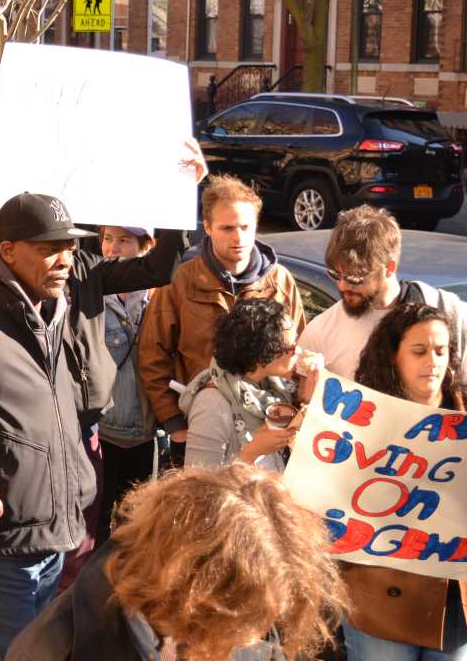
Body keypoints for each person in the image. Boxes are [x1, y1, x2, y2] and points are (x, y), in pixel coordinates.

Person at [0, 145, 205, 661]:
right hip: (1, 551)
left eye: (69, 245)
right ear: (7, 251)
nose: (65, 258)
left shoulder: (53, 317)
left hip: (52, 536)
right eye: (49, 248)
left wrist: (181, 192)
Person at [5, 464, 349, 661]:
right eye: (245, 620)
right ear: (192, 600)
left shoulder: (257, 585)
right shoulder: (49, 652)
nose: (255, 636)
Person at [138, 174, 306, 463]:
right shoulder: (180, 280)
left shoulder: (280, 281)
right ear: (207, 228)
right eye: (227, 228)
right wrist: (174, 423)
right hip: (199, 423)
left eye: (245, 227)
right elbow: (151, 354)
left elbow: (297, 351)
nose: (238, 237)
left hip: (265, 428)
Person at [341, 303, 467, 660]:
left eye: (441, 351)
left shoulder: (463, 411)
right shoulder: (359, 421)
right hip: (380, 600)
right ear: (392, 356)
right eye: (419, 351)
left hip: (453, 607)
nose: (434, 361)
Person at [300, 205, 467, 382]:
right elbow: (298, 398)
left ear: (389, 268)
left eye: (354, 278)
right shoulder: (320, 333)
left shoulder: (447, 311)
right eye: (335, 274)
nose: (342, 286)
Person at [177, 298, 319, 470]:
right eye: (291, 348)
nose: (299, 351)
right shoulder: (211, 404)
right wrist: (253, 452)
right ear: (262, 355)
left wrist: (306, 398)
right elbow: (198, 486)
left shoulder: (272, 387)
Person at [94, 226, 158, 545]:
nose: (112, 247)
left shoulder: (160, 297)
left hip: (150, 435)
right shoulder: (91, 294)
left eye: (124, 240)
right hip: (103, 432)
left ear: (147, 247)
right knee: (99, 524)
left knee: (136, 528)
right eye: (108, 239)